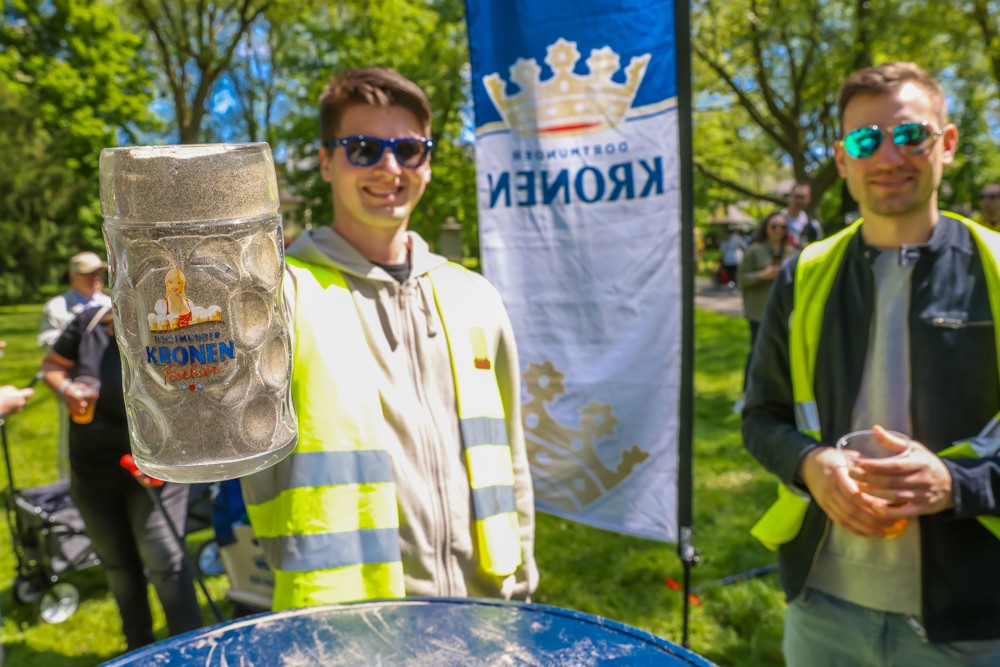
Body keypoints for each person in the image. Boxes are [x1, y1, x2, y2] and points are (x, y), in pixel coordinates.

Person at [241, 67, 538, 610]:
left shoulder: (476, 296)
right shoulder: (277, 299)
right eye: (363, 148)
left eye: (409, 149)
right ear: (327, 161)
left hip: (488, 604)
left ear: (427, 162)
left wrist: (521, 574)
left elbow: (510, 453)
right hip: (345, 619)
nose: (389, 167)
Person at [743, 61, 1000, 665]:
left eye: (910, 135)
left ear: (948, 142)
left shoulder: (995, 269)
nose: (888, 156)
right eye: (865, 140)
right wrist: (809, 462)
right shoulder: (802, 276)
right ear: (842, 159)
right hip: (822, 607)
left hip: (970, 616)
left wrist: (957, 485)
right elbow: (761, 419)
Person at [41, 305, 203, 652]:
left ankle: (189, 650)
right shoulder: (89, 323)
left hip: (156, 472)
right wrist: (66, 390)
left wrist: (166, 454)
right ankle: (138, 650)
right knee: (117, 565)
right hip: (92, 471)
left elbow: (197, 396)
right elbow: (52, 367)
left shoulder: (170, 324)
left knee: (164, 563)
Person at [38, 251, 112, 481]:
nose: (96, 278)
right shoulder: (57, 307)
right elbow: (47, 344)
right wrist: (78, 331)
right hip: (73, 382)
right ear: (73, 277)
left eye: (98, 272)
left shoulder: (109, 302)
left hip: (106, 379)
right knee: (71, 436)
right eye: (88, 274)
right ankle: (68, 483)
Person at [734, 212, 794, 414]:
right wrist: (763, 275)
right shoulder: (755, 251)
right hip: (759, 311)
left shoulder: (792, 252)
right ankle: (746, 395)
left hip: (786, 312)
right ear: (765, 228)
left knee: (784, 354)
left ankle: (780, 397)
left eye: (783, 227)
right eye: (774, 226)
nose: (778, 230)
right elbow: (741, 279)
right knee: (757, 352)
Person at [782, 183, 823, 248]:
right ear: (790, 196)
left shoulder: (813, 225)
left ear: (809, 199)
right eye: (797, 196)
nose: (799, 200)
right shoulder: (775, 222)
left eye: (802, 197)